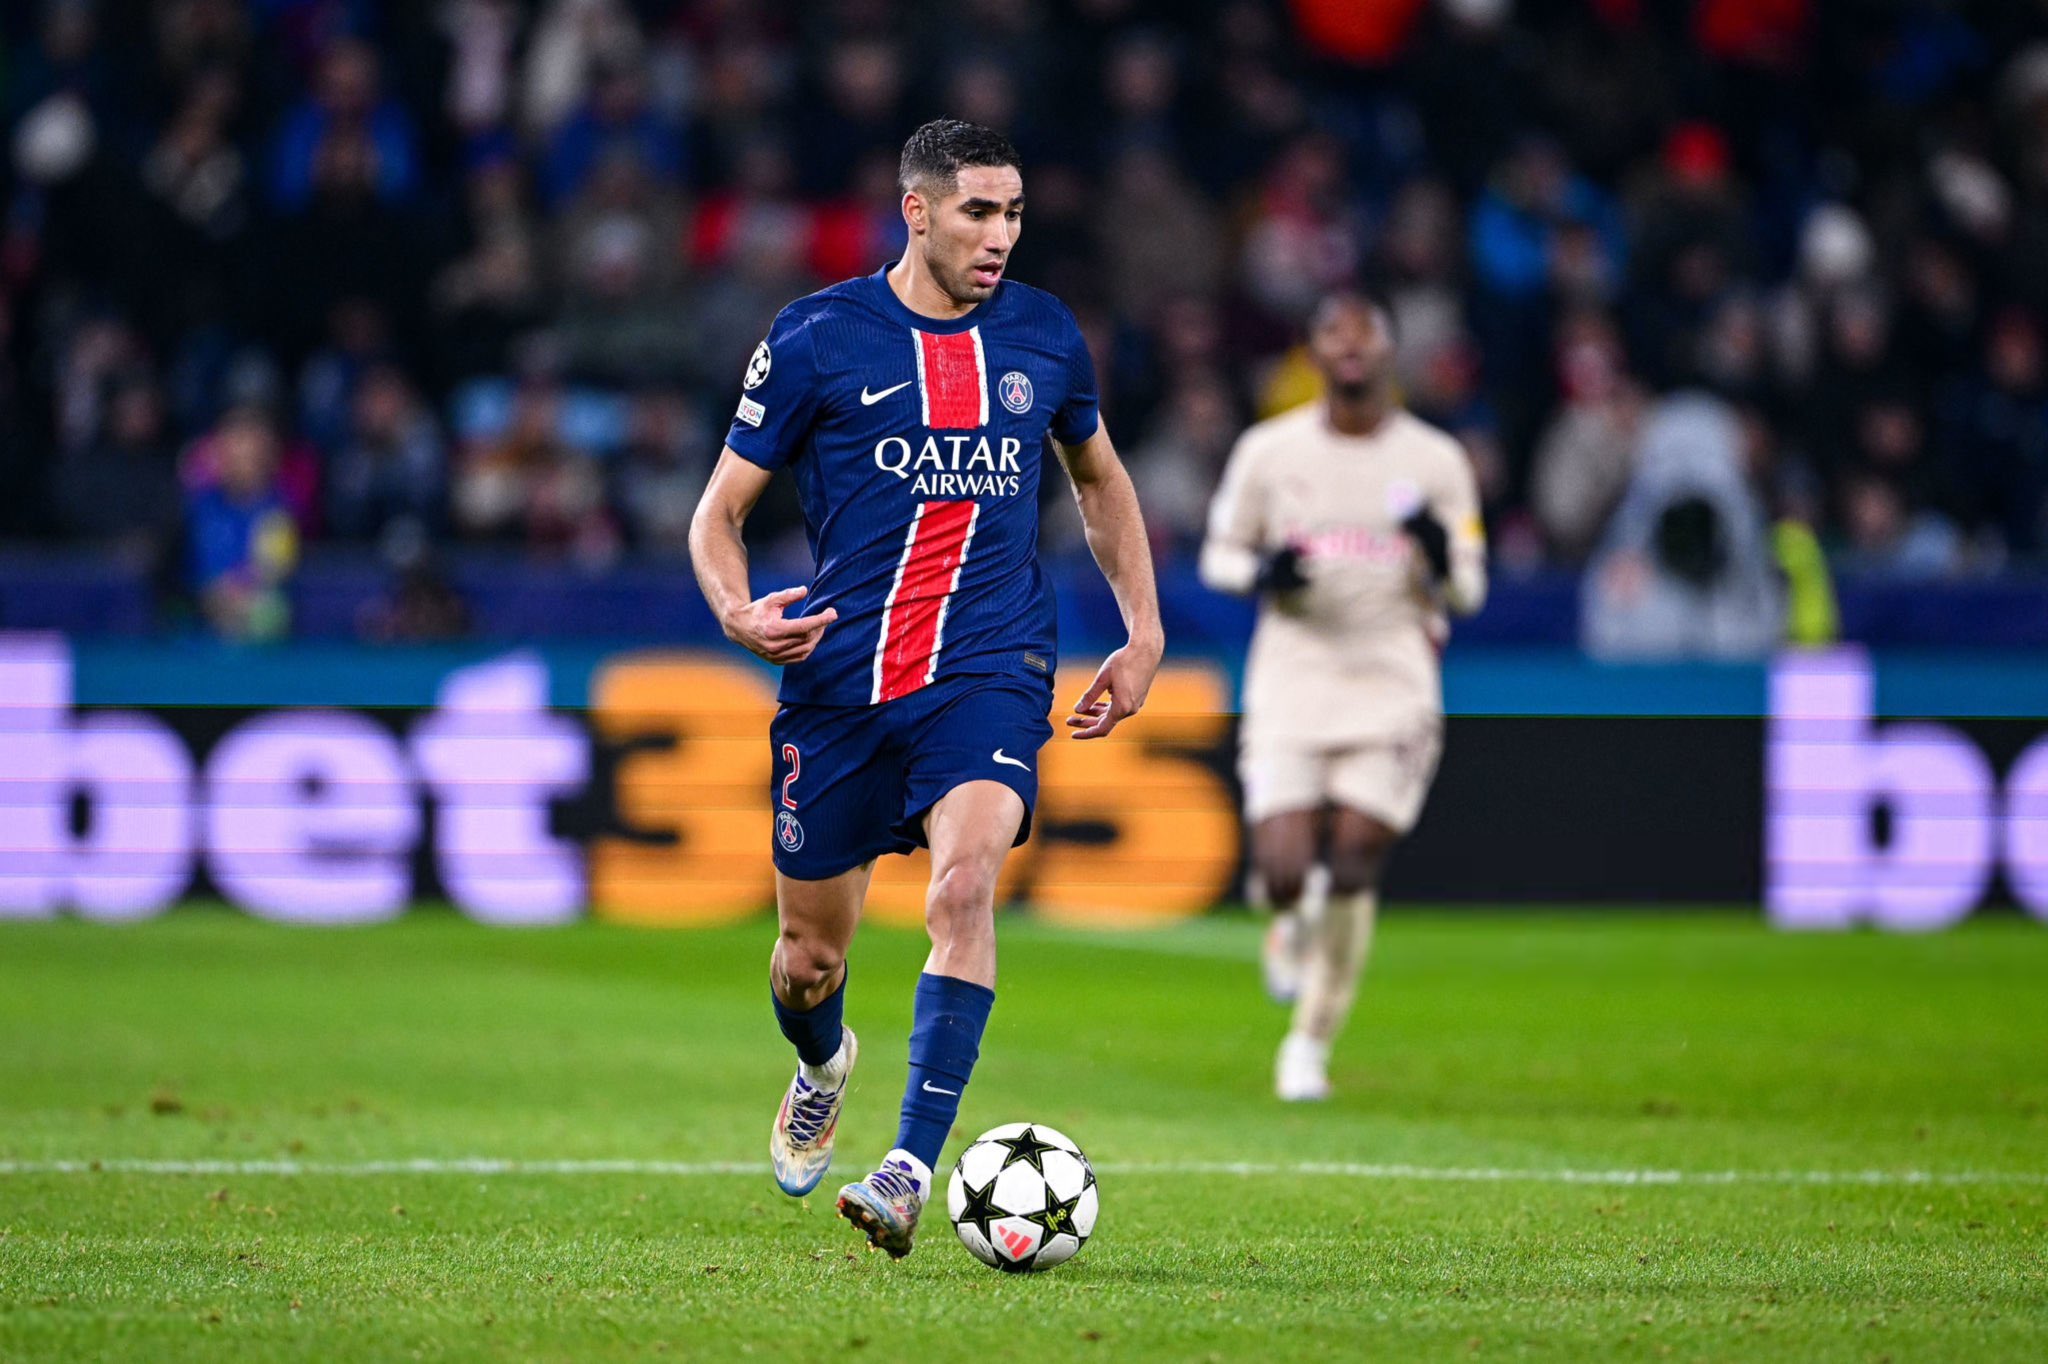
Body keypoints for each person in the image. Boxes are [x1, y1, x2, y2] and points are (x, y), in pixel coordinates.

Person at [687, 120, 1163, 1258]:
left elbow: (1098, 478)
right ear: (915, 209)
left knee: (962, 890)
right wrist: (735, 610)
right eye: (975, 213)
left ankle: (908, 1164)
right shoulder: (816, 339)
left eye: (1011, 213)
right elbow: (717, 513)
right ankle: (821, 1062)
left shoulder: (1044, 335)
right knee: (810, 958)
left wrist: (1141, 630)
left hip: (990, 671)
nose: (999, 237)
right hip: (842, 684)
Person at [1199, 294, 1487, 1102]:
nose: (1350, 345)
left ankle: (1309, 1044)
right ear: (1315, 352)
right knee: (1287, 868)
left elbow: (1468, 589)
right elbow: (1220, 552)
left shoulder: (1435, 461)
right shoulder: (1270, 450)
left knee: (1358, 850)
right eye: (1335, 333)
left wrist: (1438, 559)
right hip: (1294, 670)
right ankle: (1291, 914)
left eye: (1365, 332)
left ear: (1389, 350)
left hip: (1392, 670)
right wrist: (1261, 573)